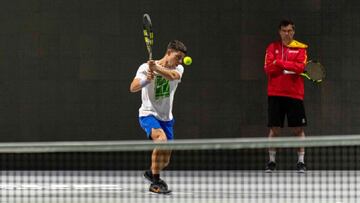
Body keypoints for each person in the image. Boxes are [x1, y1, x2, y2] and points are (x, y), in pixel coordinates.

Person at [130, 40, 187, 193]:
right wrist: (146, 80)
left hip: (166, 118)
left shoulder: (179, 68)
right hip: (148, 114)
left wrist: (156, 69)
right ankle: (155, 182)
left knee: (165, 161)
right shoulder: (144, 67)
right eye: (178, 57)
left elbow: (172, 76)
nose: (180, 61)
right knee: (160, 140)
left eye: (181, 58)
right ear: (169, 53)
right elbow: (133, 87)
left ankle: (150, 172)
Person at [264, 19, 308, 173]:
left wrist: (280, 63)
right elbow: (268, 69)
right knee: (274, 130)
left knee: (298, 130)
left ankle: (301, 162)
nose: (287, 33)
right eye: (284, 30)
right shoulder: (272, 47)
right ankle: (271, 162)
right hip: (275, 93)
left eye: (289, 31)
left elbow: (301, 67)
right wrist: (286, 65)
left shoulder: (301, 48)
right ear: (280, 32)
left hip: (295, 94)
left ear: (293, 32)